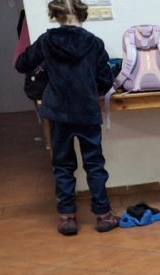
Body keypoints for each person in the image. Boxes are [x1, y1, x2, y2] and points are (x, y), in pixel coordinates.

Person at [15, 0, 116, 236]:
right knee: (94, 164)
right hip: (87, 111)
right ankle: (104, 216)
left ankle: (67, 217)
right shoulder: (94, 43)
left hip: (57, 111)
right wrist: (90, 90)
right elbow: (105, 80)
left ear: (55, 16)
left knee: (62, 164)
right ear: (82, 14)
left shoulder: (46, 41)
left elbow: (22, 64)